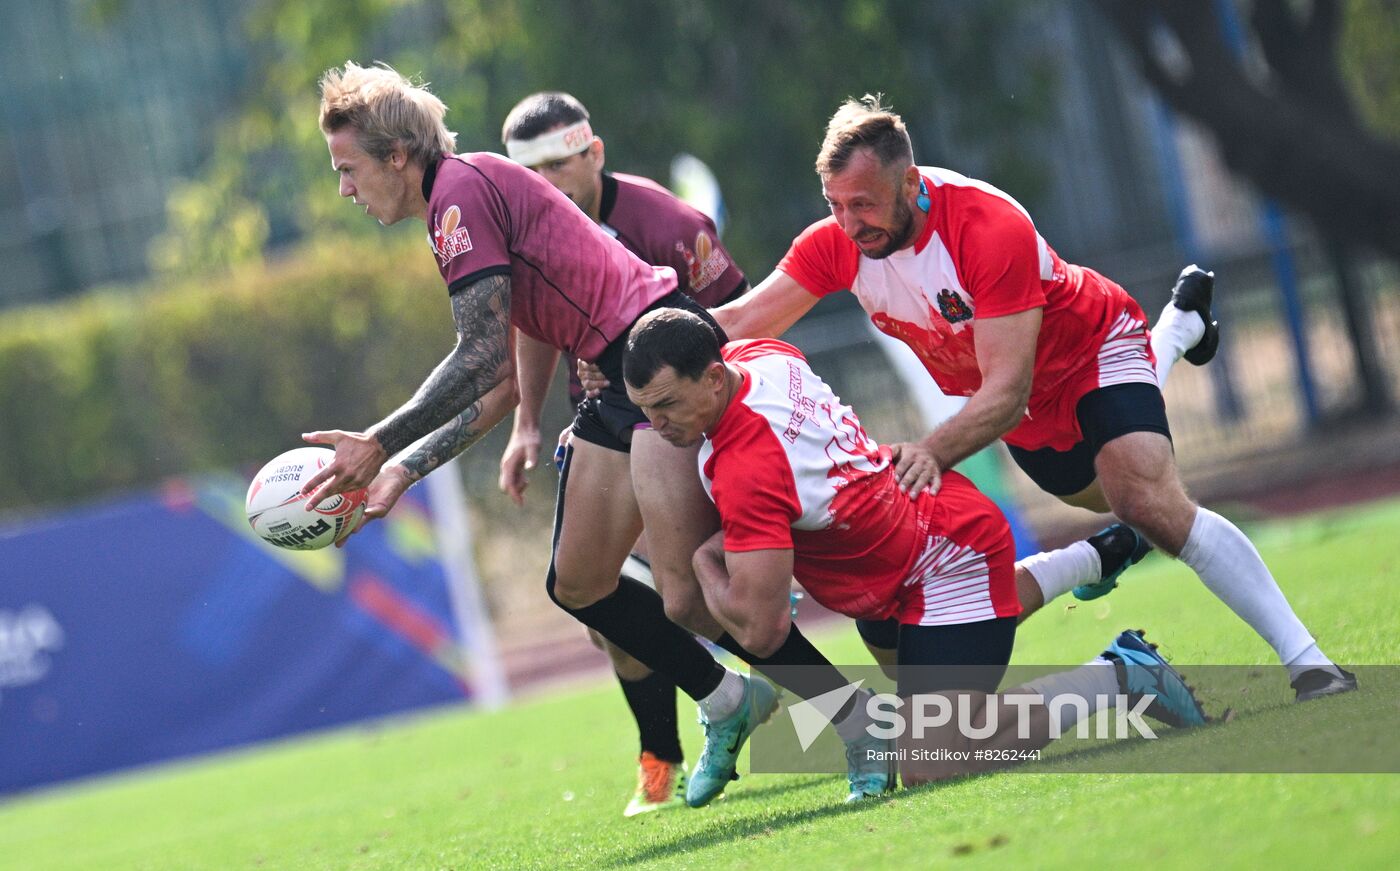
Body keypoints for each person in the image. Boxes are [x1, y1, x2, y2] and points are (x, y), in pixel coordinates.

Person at [300, 63, 893, 810]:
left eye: (348, 169)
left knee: (687, 599)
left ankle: (857, 717)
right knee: (577, 582)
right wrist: (404, 468)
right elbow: (499, 380)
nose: (344, 189)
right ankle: (727, 702)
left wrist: (378, 443)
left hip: (650, 371)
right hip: (614, 381)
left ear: (396, 156)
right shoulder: (457, 200)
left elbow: (479, 355)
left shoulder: (457, 195)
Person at [658, 95, 1352, 702]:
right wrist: (643, 340)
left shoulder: (986, 226)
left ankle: (1310, 663)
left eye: (863, 204)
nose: (848, 223)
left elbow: (1007, 392)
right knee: (1103, 497)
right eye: (835, 206)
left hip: (1089, 352)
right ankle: (1180, 330)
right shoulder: (837, 243)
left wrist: (930, 451)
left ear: (909, 180)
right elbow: (741, 322)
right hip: (1017, 407)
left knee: (1150, 503)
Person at [621, 308, 1207, 786]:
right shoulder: (762, 354)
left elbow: (759, 633)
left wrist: (703, 559)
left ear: (715, 377)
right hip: (902, 548)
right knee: (937, 670)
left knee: (931, 760)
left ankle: (1122, 676)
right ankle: (1099, 554)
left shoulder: (745, 467)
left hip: (944, 558)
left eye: (667, 405)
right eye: (645, 410)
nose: (658, 427)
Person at [496, 90, 750, 816]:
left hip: (687, 429)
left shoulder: (669, 224)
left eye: (559, 163)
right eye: (529, 171)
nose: (546, 182)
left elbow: (740, 320)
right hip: (609, 423)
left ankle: (829, 710)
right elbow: (536, 328)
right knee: (603, 609)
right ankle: (663, 756)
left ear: (594, 152)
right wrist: (525, 425)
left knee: (687, 599)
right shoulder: (528, 233)